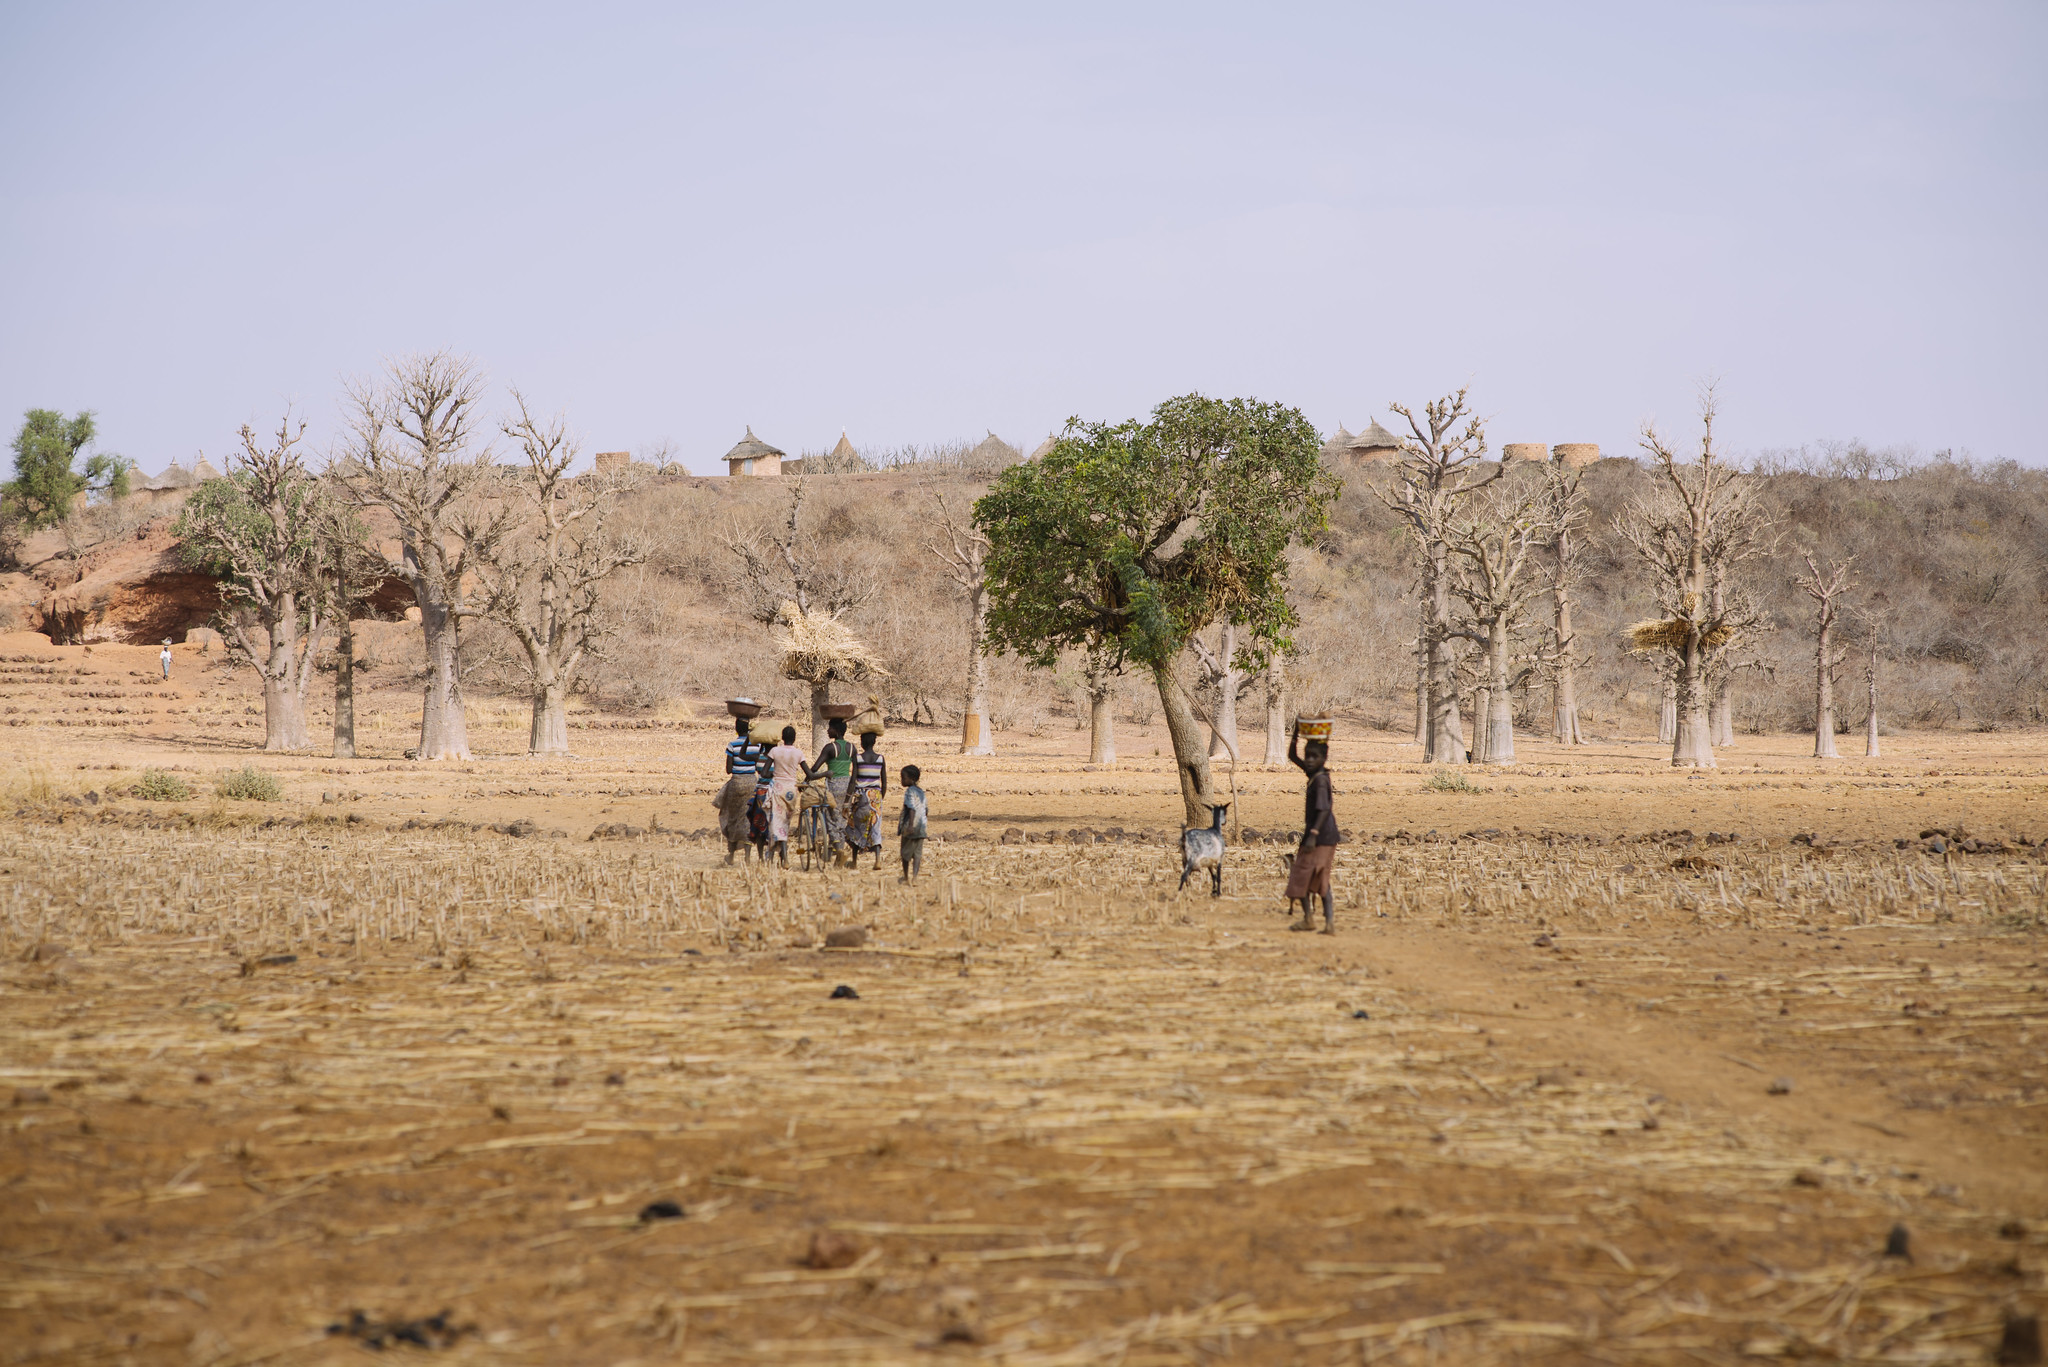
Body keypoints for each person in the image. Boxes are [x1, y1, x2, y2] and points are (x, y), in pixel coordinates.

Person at [1285, 722, 1339, 934]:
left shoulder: (1320, 781)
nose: (1308, 760)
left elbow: (1324, 809)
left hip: (1321, 836)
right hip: (1319, 835)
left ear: (1323, 758)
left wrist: (1313, 834)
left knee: (1306, 876)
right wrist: (1295, 733)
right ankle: (1319, 921)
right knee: (1313, 877)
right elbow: (1292, 757)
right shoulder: (1314, 775)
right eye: (1307, 756)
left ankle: (1320, 921)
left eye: (1313, 757)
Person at [804, 717, 858, 863]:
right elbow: (854, 773)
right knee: (842, 819)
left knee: (830, 819)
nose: (828, 730)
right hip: (847, 786)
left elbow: (814, 768)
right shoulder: (852, 748)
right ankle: (837, 854)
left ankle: (839, 850)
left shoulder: (830, 748)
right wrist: (850, 793)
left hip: (833, 785)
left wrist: (805, 780)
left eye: (830, 728)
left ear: (837, 730)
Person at [713, 717, 763, 865]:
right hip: (752, 783)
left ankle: (732, 856)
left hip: (736, 783)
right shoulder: (757, 745)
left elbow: (728, 770)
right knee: (748, 818)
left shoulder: (732, 745)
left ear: (736, 729)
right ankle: (747, 857)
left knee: (733, 818)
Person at [764, 724, 807, 866]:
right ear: (794, 738)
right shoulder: (798, 753)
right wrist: (824, 774)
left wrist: (774, 774)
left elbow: (764, 773)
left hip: (778, 788)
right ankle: (784, 858)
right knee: (785, 823)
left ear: (782, 738)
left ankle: (777, 857)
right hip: (791, 790)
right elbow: (810, 773)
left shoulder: (775, 751)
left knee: (776, 823)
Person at [849, 728, 887, 869]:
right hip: (875, 796)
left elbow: (853, 780)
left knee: (856, 826)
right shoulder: (881, 759)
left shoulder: (857, 758)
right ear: (874, 742)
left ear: (862, 743)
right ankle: (877, 860)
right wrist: (879, 798)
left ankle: (854, 861)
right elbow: (884, 782)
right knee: (875, 827)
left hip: (861, 796)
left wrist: (849, 797)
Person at [897, 763, 927, 883]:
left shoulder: (909, 792)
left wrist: (910, 825)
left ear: (912, 779)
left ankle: (905, 876)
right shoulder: (921, 792)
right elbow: (926, 809)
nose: (902, 780)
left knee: (905, 853)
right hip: (922, 826)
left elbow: (911, 808)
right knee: (917, 853)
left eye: (903, 778)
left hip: (911, 825)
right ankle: (914, 877)